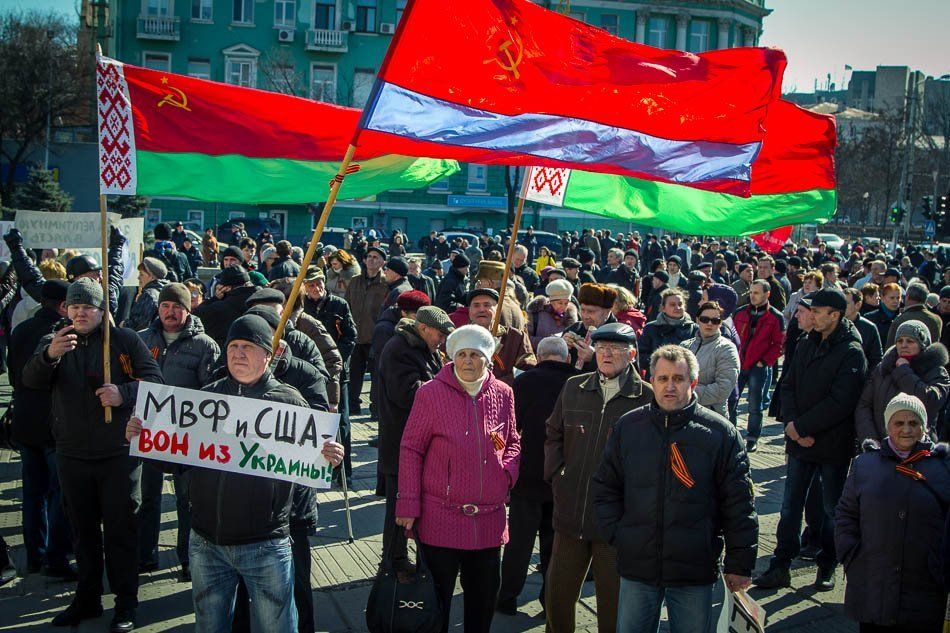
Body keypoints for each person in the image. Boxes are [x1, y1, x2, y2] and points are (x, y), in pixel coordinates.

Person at [128, 315, 343, 633]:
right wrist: (145, 441)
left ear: (267, 355)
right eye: (233, 347)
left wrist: (328, 458)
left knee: (278, 627)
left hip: (266, 544)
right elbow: (176, 463)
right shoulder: (207, 399)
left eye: (248, 347)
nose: (238, 354)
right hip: (206, 543)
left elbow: (306, 469)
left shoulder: (290, 402)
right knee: (210, 626)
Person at [24, 278, 163, 631]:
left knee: (121, 532)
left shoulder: (124, 340)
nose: (81, 313)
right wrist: (48, 356)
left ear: (102, 311)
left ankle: (126, 604)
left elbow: (156, 383)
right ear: (66, 309)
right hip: (71, 453)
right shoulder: (55, 340)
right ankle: (86, 599)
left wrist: (123, 394)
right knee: (82, 533)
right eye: (75, 306)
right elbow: (30, 380)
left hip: (118, 454)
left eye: (88, 307)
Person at [592, 345, 757, 633]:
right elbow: (606, 487)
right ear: (651, 380)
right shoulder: (628, 427)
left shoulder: (720, 434)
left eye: (678, 379)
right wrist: (620, 535)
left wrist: (739, 564)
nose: (670, 386)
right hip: (638, 565)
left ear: (693, 382)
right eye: (663, 378)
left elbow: (739, 504)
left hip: (693, 568)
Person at [395, 324, 521, 633]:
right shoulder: (430, 393)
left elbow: (512, 441)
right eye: (461, 354)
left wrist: (506, 475)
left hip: (488, 520)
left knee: (482, 603)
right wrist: (408, 503)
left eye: (475, 355)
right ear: (452, 357)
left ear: (487, 359)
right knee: (436, 604)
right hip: (441, 518)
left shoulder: (503, 393)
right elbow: (411, 448)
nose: (467, 361)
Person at [755, 288, 867, 592]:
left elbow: (841, 402)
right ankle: (781, 564)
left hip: (832, 444)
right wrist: (792, 425)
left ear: (835, 315)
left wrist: (803, 427)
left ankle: (827, 562)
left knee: (831, 508)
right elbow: (788, 384)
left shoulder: (851, 351)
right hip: (799, 441)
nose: (811, 316)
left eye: (818, 312)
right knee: (790, 506)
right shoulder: (807, 343)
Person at [544, 323, 653, 633]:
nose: (606, 354)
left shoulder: (646, 397)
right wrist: (558, 475)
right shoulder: (574, 386)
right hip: (571, 514)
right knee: (557, 597)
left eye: (615, 349)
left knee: (613, 606)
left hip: (615, 523)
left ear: (631, 355)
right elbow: (553, 433)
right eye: (602, 347)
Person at [836, 393, 950, 633]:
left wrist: (941, 566)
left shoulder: (943, 467)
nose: (906, 430)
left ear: (924, 426)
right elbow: (846, 514)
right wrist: (851, 555)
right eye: (899, 423)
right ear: (887, 426)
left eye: (914, 423)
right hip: (872, 582)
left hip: (925, 588)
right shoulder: (864, 464)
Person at [136, 283, 220, 578]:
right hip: (149, 433)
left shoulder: (205, 345)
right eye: (165, 306)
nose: (170, 312)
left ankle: (188, 559)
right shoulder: (142, 340)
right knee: (147, 497)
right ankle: (145, 556)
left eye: (177, 307)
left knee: (188, 501)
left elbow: (211, 393)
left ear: (188, 309)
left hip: (187, 436)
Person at [497, 337, 576, 617]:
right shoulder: (578, 383)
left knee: (518, 542)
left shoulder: (524, 382)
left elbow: (507, 428)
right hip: (564, 475)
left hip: (528, 474)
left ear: (539, 358)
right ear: (567, 358)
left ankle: (507, 597)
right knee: (555, 547)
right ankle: (550, 603)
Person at [376, 306, 453, 576]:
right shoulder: (399, 349)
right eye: (439, 334)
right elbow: (408, 394)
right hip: (401, 442)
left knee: (412, 504)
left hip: (418, 441)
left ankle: (405, 559)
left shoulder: (421, 348)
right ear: (423, 329)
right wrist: (447, 383)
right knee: (400, 506)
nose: (442, 340)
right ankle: (393, 562)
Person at [8, 280, 74, 579]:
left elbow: (12, 373)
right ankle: (55, 556)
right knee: (59, 493)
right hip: (51, 422)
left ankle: (34, 555)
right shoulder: (63, 335)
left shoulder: (21, 329)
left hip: (24, 421)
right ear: (63, 306)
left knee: (33, 493)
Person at [302, 267, 359, 482]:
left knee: (341, 421)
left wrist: (336, 360)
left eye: (319, 283)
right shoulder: (302, 306)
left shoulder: (338, 304)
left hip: (336, 372)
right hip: (310, 372)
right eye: (311, 284)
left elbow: (350, 336)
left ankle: (345, 472)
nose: (316, 288)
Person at [855, 321, 950, 444]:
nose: (903, 345)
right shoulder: (883, 368)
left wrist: (903, 371)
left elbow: (931, 400)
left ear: (922, 344)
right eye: (899, 341)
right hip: (882, 446)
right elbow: (864, 405)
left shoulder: (937, 371)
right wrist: (871, 438)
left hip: (920, 447)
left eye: (910, 341)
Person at [732, 280, 785, 452]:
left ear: (767, 294)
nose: (752, 296)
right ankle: (731, 434)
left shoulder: (775, 317)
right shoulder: (740, 312)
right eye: (751, 292)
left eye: (756, 293)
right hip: (739, 363)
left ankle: (752, 437)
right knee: (732, 400)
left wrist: (765, 361)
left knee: (755, 404)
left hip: (758, 366)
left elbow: (779, 344)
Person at [457, 288, 536, 385]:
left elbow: (528, 372)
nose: (481, 310)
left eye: (487, 305)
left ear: (497, 309)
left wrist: (496, 384)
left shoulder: (515, 337)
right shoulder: (458, 338)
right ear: (469, 311)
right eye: (476, 305)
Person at [345, 246, 388, 416]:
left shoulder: (386, 283)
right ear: (363, 260)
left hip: (375, 337)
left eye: (376, 257)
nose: (371, 259)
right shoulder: (355, 281)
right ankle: (352, 406)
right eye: (369, 256)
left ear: (383, 262)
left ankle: (375, 409)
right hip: (355, 336)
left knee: (377, 376)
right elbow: (347, 305)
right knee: (354, 374)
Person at [681, 301, 740, 419]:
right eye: (705, 319)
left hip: (712, 415)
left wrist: (685, 392)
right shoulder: (685, 346)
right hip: (683, 411)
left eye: (715, 320)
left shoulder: (727, 348)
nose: (709, 323)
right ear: (697, 320)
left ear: (720, 323)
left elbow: (723, 389)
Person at [638, 288, 699, 379]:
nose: (677, 308)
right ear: (663, 308)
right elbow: (640, 356)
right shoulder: (651, 328)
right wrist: (661, 363)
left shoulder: (694, 329)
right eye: (672, 305)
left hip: (684, 379)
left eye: (680, 304)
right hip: (656, 378)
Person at [193, 265, 256, 349]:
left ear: (225, 288)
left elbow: (196, 317)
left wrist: (214, 298)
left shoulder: (219, 307)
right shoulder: (260, 298)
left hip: (229, 351)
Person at [562, 283, 618, 373]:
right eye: (582, 310)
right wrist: (562, 347)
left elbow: (628, 372)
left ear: (607, 312)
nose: (585, 316)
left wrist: (594, 358)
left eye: (591, 311)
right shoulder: (574, 329)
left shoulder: (620, 336)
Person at [885, 282, 943, 349]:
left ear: (907, 297)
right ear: (925, 299)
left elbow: (890, 348)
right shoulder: (936, 319)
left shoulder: (900, 320)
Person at [526, 279, 578, 348]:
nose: (563, 306)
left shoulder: (570, 318)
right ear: (551, 301)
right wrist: (552, 341)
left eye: (566, 303)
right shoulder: (536, 313)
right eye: (560, 303)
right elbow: (526, 339)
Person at [844, 286, 884, 371]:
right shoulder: (833, 324)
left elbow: (876, 359)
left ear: (858, 305)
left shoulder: (869, 328)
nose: (841, 306)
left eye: (846, 303)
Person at [125, 257, 169, 331]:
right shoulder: (161, 291)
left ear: (151, 277)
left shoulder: (148, 295)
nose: (138, 278)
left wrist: (124, 324)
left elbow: (139, 324)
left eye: (141, 274)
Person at [866, 282, 903, 347]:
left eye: (898, 298)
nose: (896, 301)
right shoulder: (870, 318)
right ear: (882, 298)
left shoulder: (902, 318)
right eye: (892, 298)